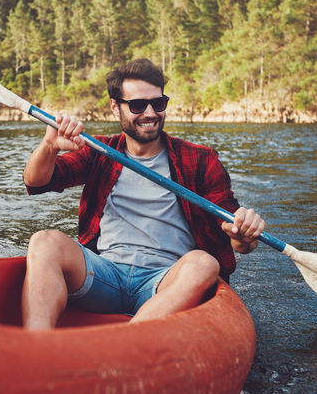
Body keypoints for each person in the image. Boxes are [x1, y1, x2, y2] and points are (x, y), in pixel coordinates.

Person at [22, 58, 265, 330]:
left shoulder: (200, 159)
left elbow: (237, 240)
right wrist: (49, 146)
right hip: (105, 275)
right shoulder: (99, 151)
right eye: (138, 105)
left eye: (158, 103)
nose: (150, 113)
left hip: (164, 282)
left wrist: (244, 234)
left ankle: (127, 343)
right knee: (44, 241)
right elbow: (37, 182)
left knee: (204, 263)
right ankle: (35, 346)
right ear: (116, 107)